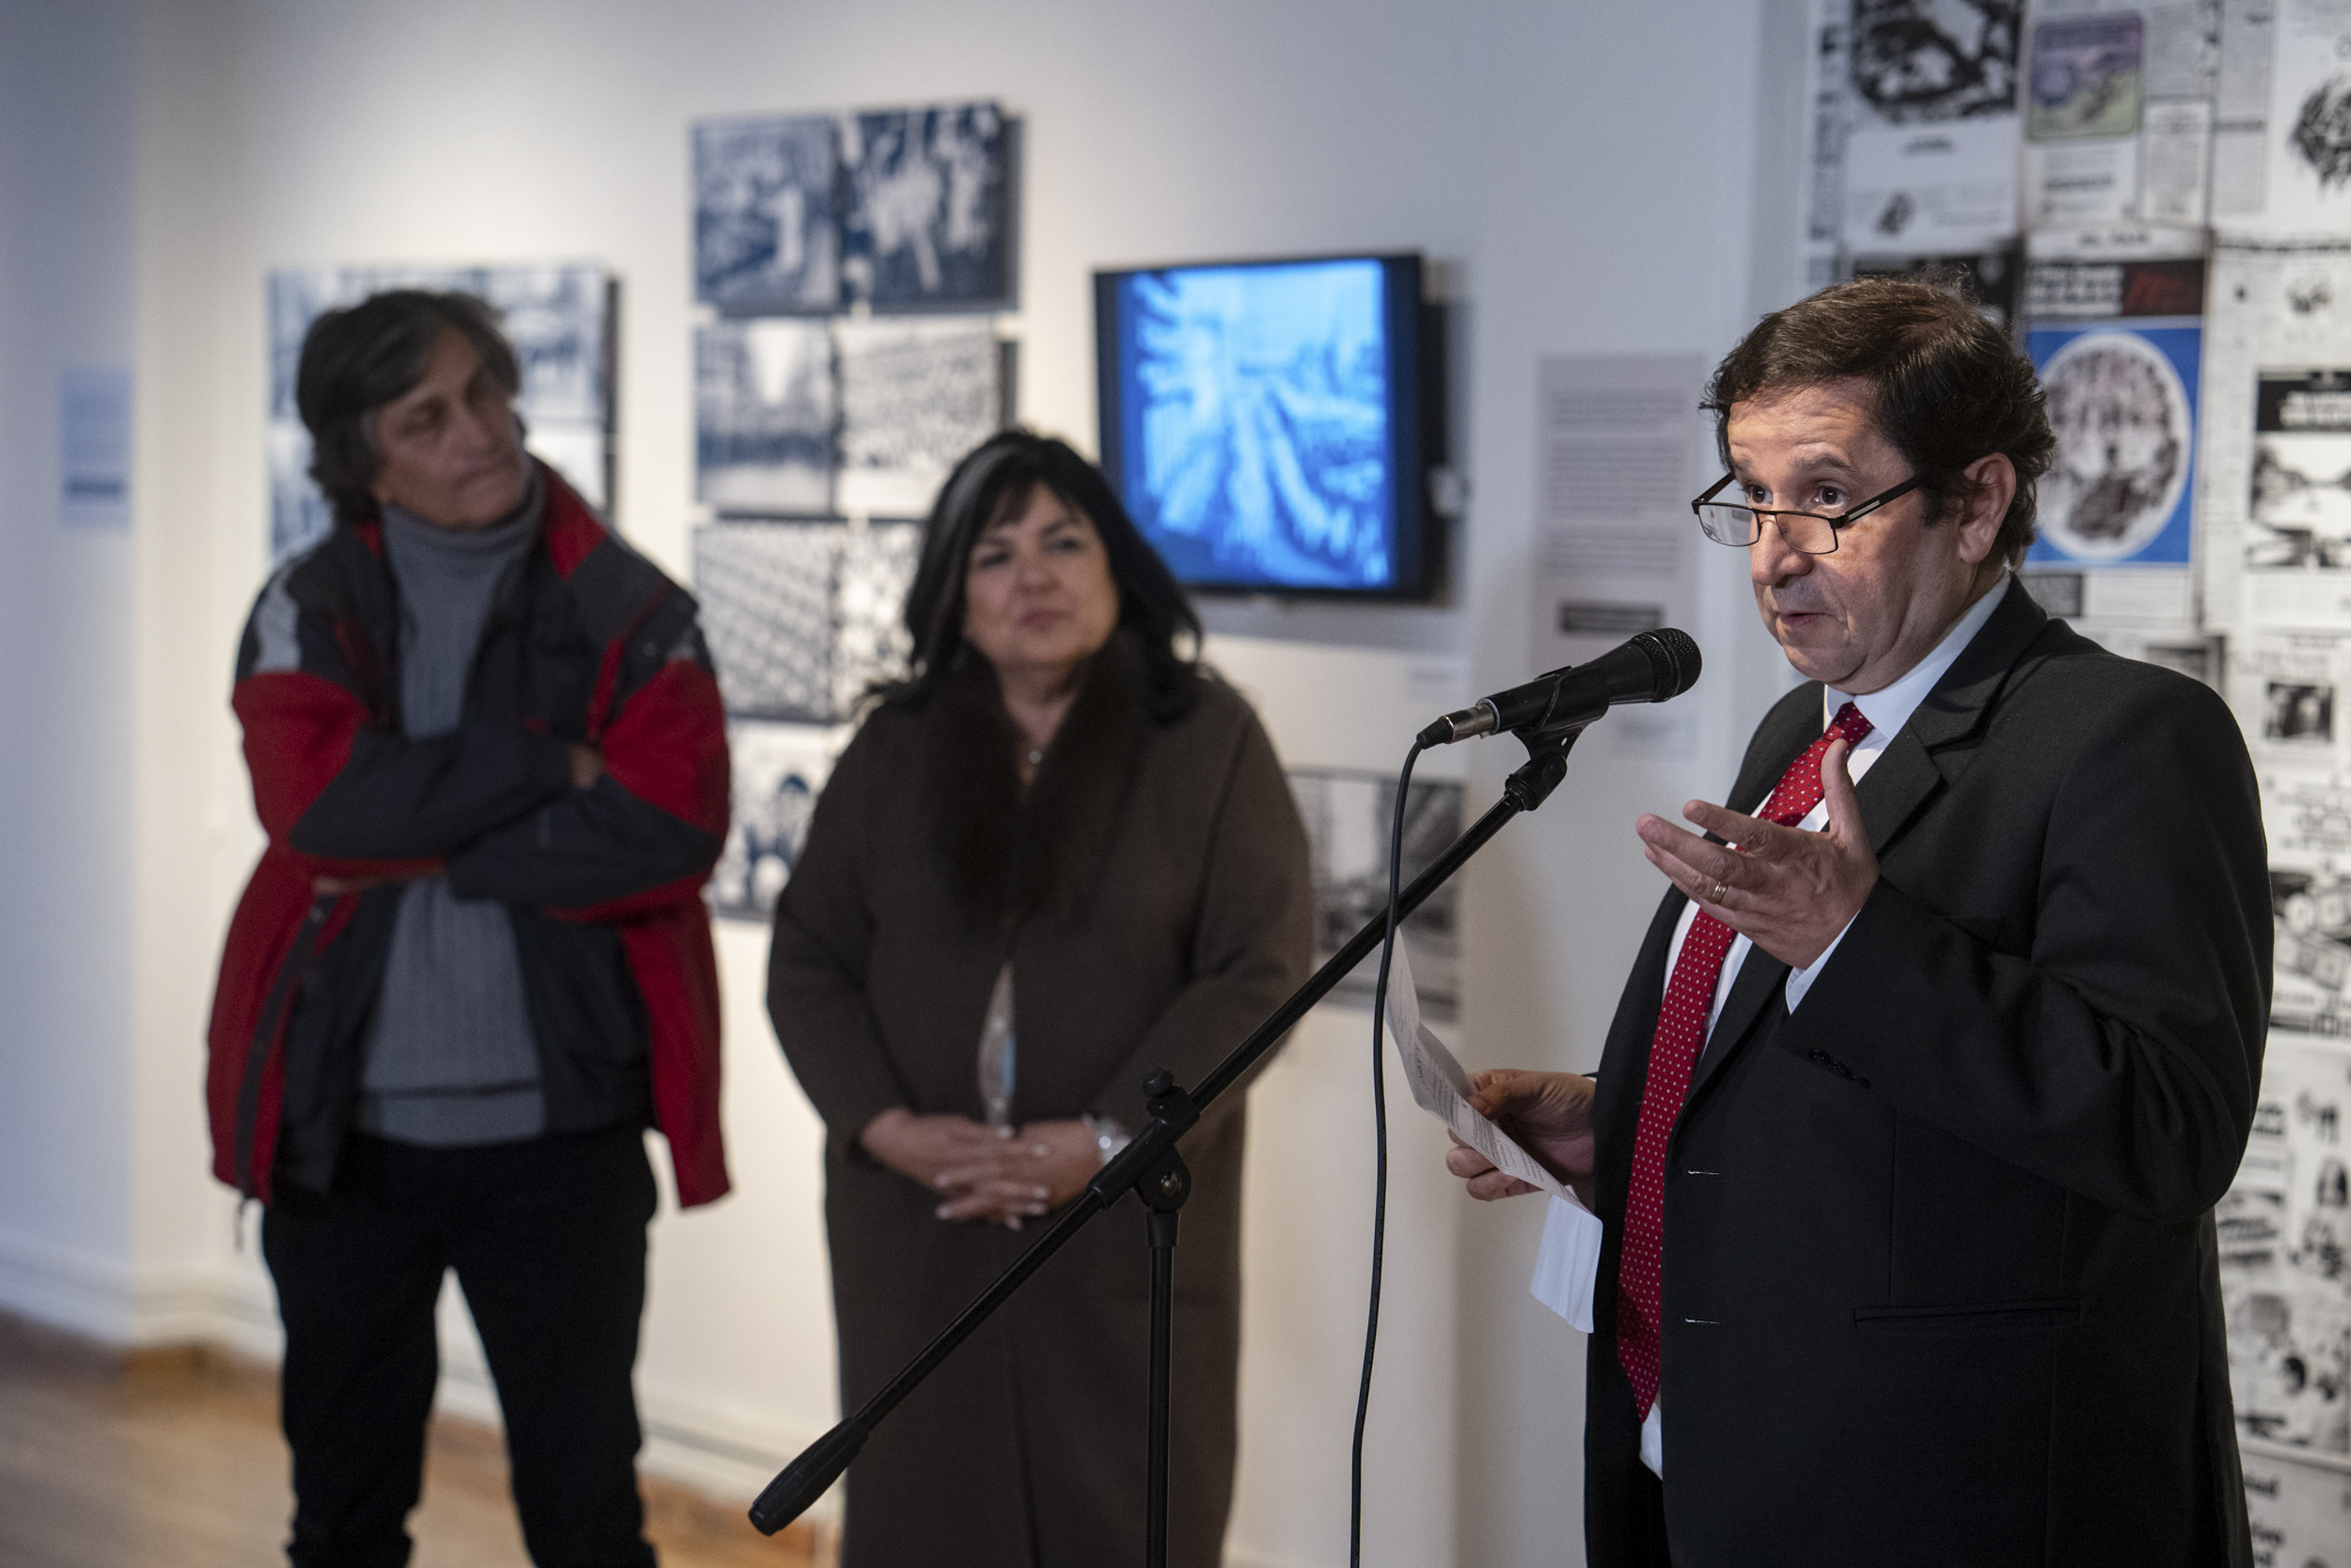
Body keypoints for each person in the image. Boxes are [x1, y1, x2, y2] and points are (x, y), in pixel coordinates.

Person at [1445, 278, 2270, 1567]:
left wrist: (1857, 941)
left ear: (1978, 502)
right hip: (1715, 1464)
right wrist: (1629, 1128)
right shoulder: (1807, 728)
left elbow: (2170, 1128)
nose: (1775, 551)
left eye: (1828, 496)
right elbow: (1854, 1095)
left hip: (1952, 1501)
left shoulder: (2126, 740)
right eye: (1752, 493)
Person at [205, 289, 731, 1567]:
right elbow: (317, 807)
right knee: (343, 1512)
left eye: (486, 394)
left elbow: (672, 824)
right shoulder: (309, 600)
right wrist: (552, 766)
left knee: (587, 1511)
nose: (480, 433)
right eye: (427, 416)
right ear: (360, 454)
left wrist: (416, 837)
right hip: (348, 1139)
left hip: (561, 1143)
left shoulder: (629, 604)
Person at [766, 430, 1313, 1568]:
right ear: (953, 594)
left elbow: (1256, 969)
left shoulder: (1208, 741)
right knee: (924, 1514)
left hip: (1123, 1226)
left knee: (1126, 1517)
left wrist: (1113, 1137)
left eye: (1065, 544)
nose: (1037, 579)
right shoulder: (894, 747)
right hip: (923, 1224)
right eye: (997, 555)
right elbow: (810, 959)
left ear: (1116, 566)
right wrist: (888, 1128)